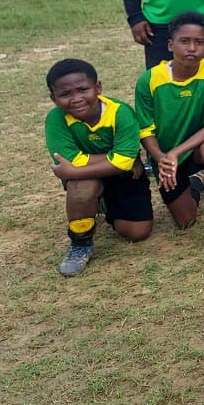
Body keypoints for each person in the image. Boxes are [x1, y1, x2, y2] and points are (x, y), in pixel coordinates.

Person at [134, 11, 204, 258]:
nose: (191, 48)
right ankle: (194, 183)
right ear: (171, 44)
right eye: (184, 41)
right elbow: (145, 131)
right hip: (164, 156)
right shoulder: (149, 80)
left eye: (199, 42)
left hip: (193, 151)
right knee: (185, 221)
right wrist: (162, 158)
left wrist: (176, 153)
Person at [45, 59, 150, 277]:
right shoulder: (56, 119)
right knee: (82, 188)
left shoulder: (120, 112)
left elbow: (122, 162)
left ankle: (104, 203)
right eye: (65, 94)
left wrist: (73, 172)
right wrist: (119, 158)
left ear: (98, 87)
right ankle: (81, 243)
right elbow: (71, 159)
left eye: (83, 89)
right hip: (101, 174)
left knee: (137, 232)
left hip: (123, 175)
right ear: (53, 98)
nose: (76, 99)